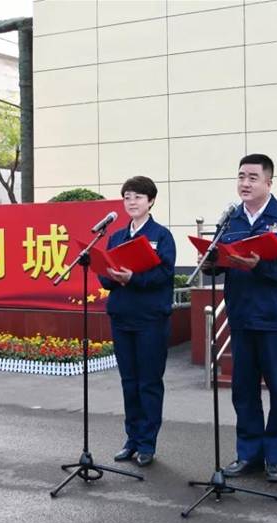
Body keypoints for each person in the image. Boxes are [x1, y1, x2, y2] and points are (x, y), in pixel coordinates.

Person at [201, 154, 277, 483]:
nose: (245, 183)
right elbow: (219, 261)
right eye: (241, 177)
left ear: (268, 183)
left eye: (252, 178)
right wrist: (210, 264)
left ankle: (274, 458)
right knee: (243, 392)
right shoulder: (230, 221)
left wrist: (260, 265)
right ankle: (248, 455)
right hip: (242, 319)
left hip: (276, 319)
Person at [98, 175, 176, 468]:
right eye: (127, 197)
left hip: (150, 319)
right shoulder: (117, 236)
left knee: (149, 382)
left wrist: (134, 278)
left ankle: (147, 443)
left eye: (138, 197)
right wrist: (112, 276)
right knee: (129, 382)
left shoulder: (162, 236)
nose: (131, 202)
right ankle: (132, 439)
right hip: (122, 317)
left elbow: (164, 274)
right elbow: (104, 274)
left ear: (151, 201)